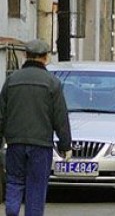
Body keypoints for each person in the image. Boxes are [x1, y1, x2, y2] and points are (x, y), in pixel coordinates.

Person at [0, 39, 72, 216]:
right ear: (46, 57)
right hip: (41, 145)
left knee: (14, 182)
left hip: (15, 143)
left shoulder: (11, 81)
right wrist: (65, 145)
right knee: (36, 186)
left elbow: (1, 115)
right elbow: (60, 117)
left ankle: (11, 211)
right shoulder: (52, 82)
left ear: (25, 55)